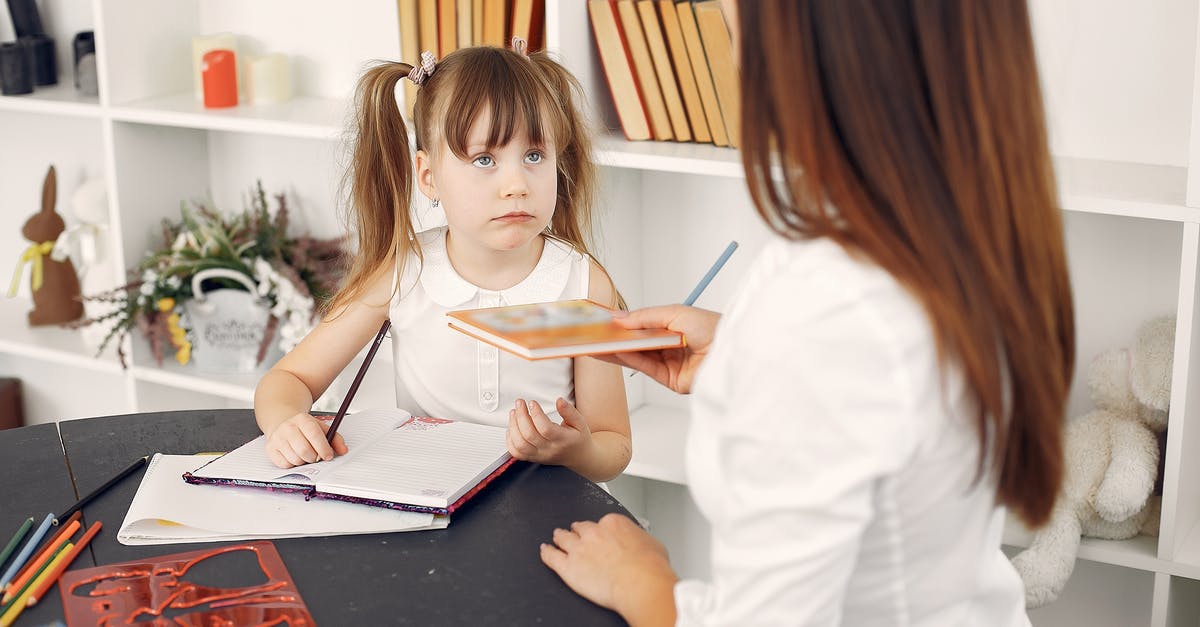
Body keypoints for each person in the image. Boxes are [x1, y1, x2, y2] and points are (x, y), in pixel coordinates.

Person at [540, 1, 1074, 624]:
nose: (732, 60)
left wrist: (642, 579)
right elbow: (889, 407)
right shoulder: (964, 231)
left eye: (734, 28)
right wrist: (750, 362)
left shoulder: (821, 313)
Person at [253, 40, 632, 483]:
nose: (517, 184)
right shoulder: (405, 271)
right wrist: (285, 422)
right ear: (429, 177)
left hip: (544, 505)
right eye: (485, 159)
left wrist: (579, 451)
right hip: (430, 502)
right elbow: (289, 379)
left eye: (534, 156)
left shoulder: (583, 284)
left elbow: (614, 444)